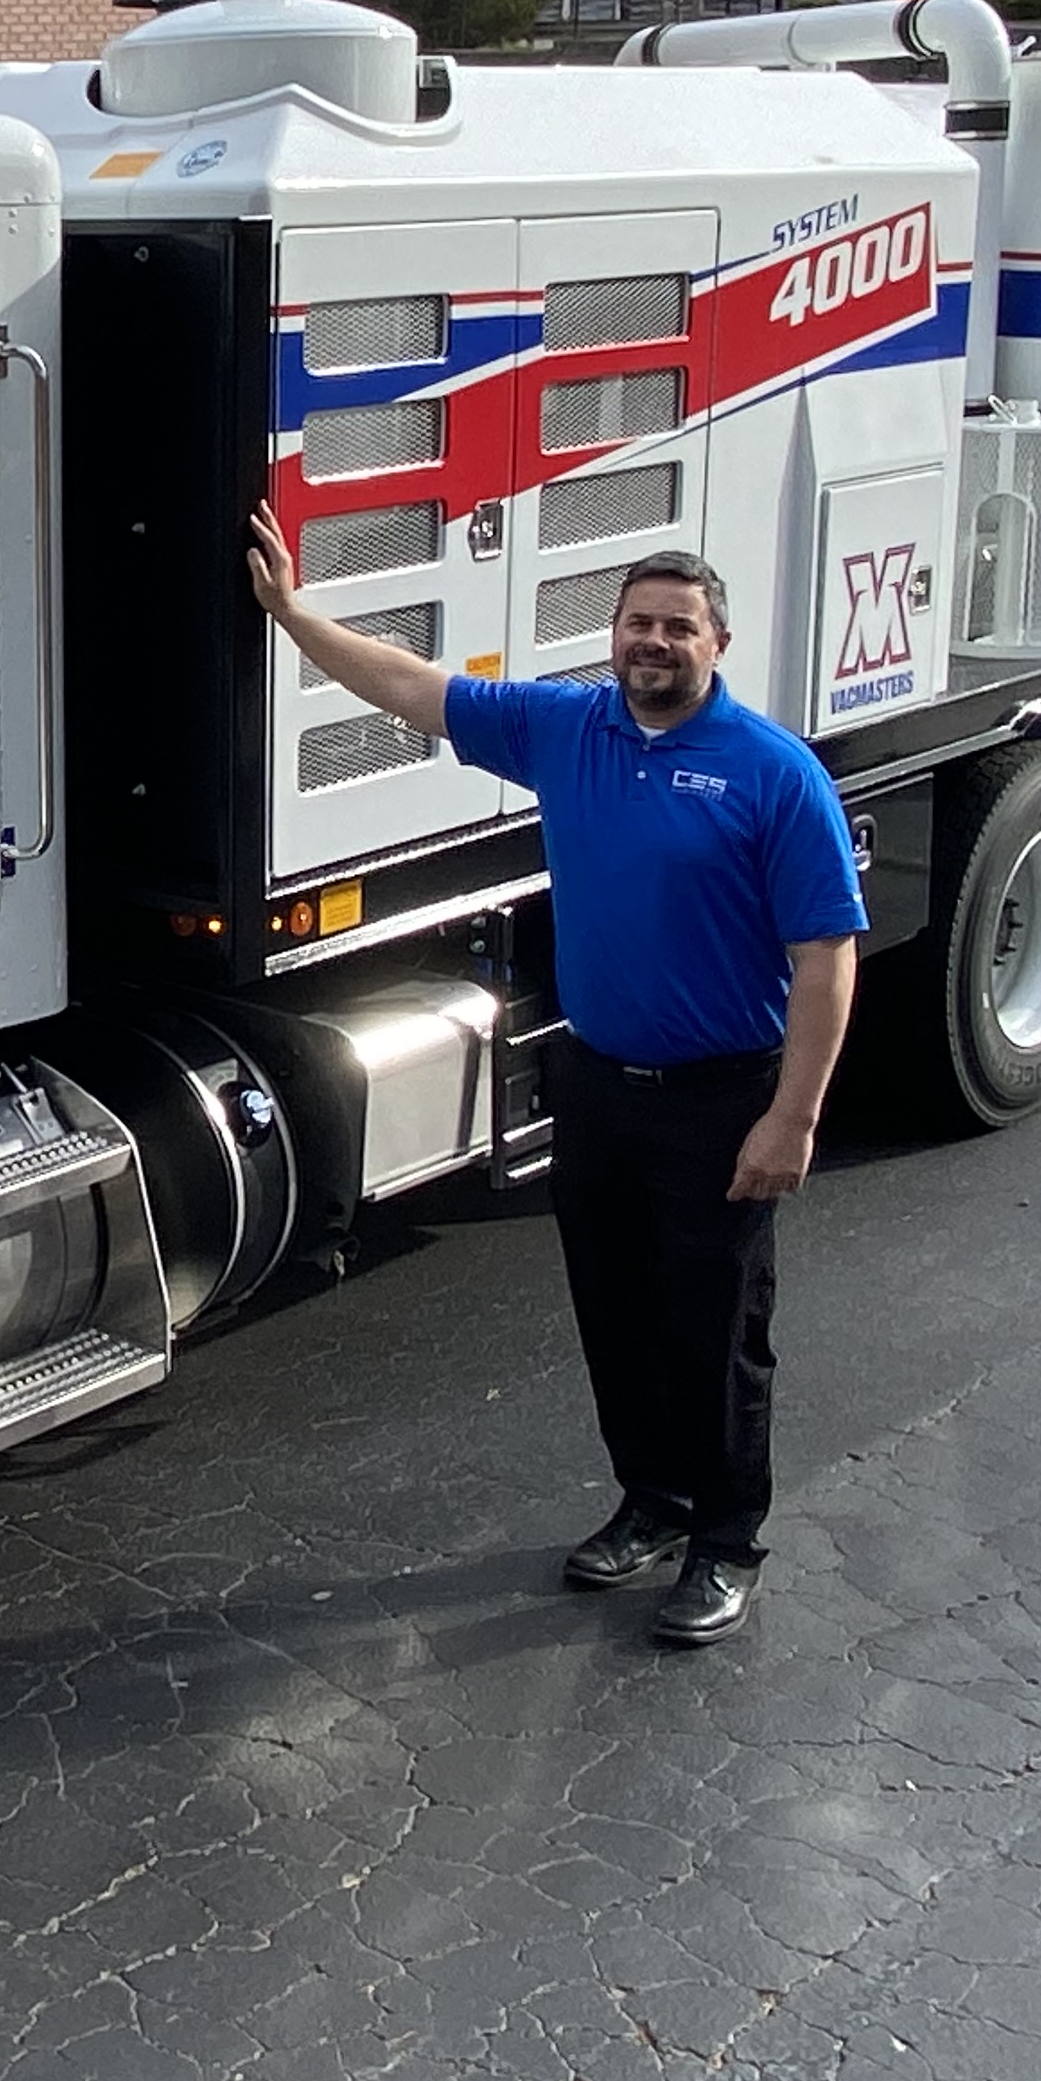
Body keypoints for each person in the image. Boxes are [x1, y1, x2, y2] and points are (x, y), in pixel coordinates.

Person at [246, 506, 863, 1647]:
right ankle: (653, 1504)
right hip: (598, 1087)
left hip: (723, 1098)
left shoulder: (773, 774)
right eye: (638, 623)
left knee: (715, 1330)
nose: (654, 642)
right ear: (613, 634)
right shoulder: (568, 728)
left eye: (678, 626)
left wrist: (794, 1117)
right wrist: (293, 615)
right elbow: (412, 688)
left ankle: (726, 1543)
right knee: (615, 1312)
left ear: (718, 643)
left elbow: (827, 957)